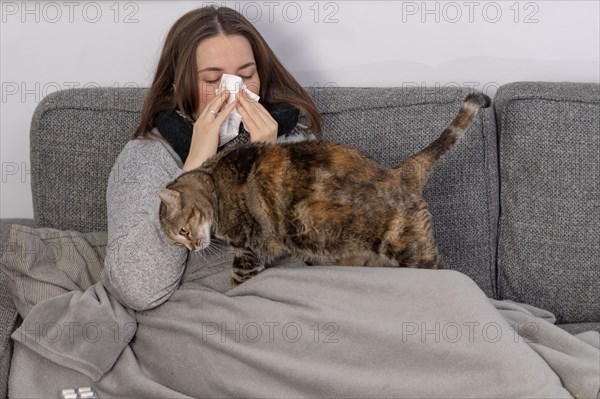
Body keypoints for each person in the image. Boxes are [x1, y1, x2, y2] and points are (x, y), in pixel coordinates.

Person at [105, 6, 322, 310]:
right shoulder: (149, 157)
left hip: (293, 302)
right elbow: (137, 290)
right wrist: (191, 172)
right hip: (205, 314)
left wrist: (267, 166)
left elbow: (326, 252)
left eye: (246, 75)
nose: (234, 92)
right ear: (180, 88)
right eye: (212, 81)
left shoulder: (292, 137)